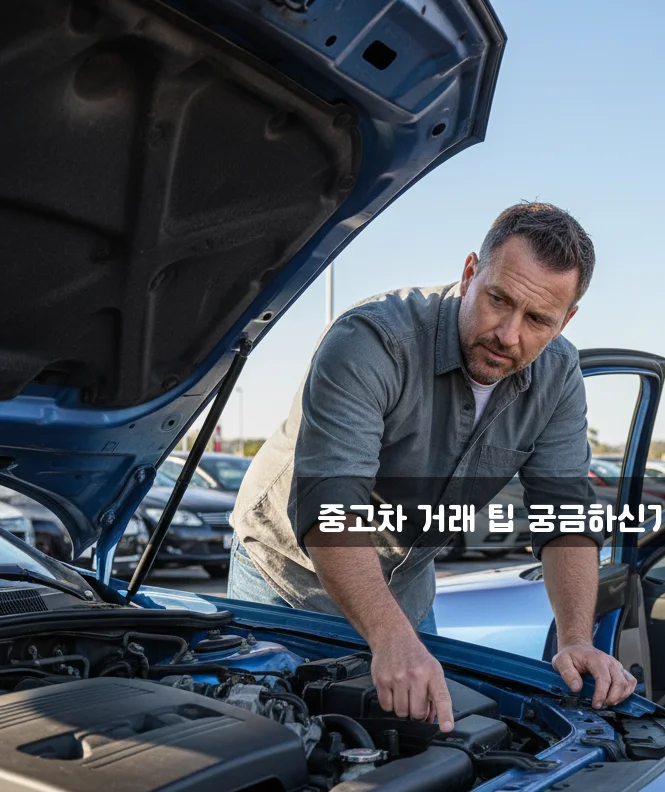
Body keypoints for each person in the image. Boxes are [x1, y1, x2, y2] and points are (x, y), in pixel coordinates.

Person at [228, 202, 637, 731]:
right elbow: (332, 509)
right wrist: (391, 638)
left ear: (566, 321)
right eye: (498, 300)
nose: (508, 334)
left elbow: (565, 516)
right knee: (275, 737)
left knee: (429, 741)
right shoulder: (372, 341)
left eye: (538, 320)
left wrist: (576, 639)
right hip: (285, 579)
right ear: (470, 274)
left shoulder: (558, 378)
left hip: (407, 588)